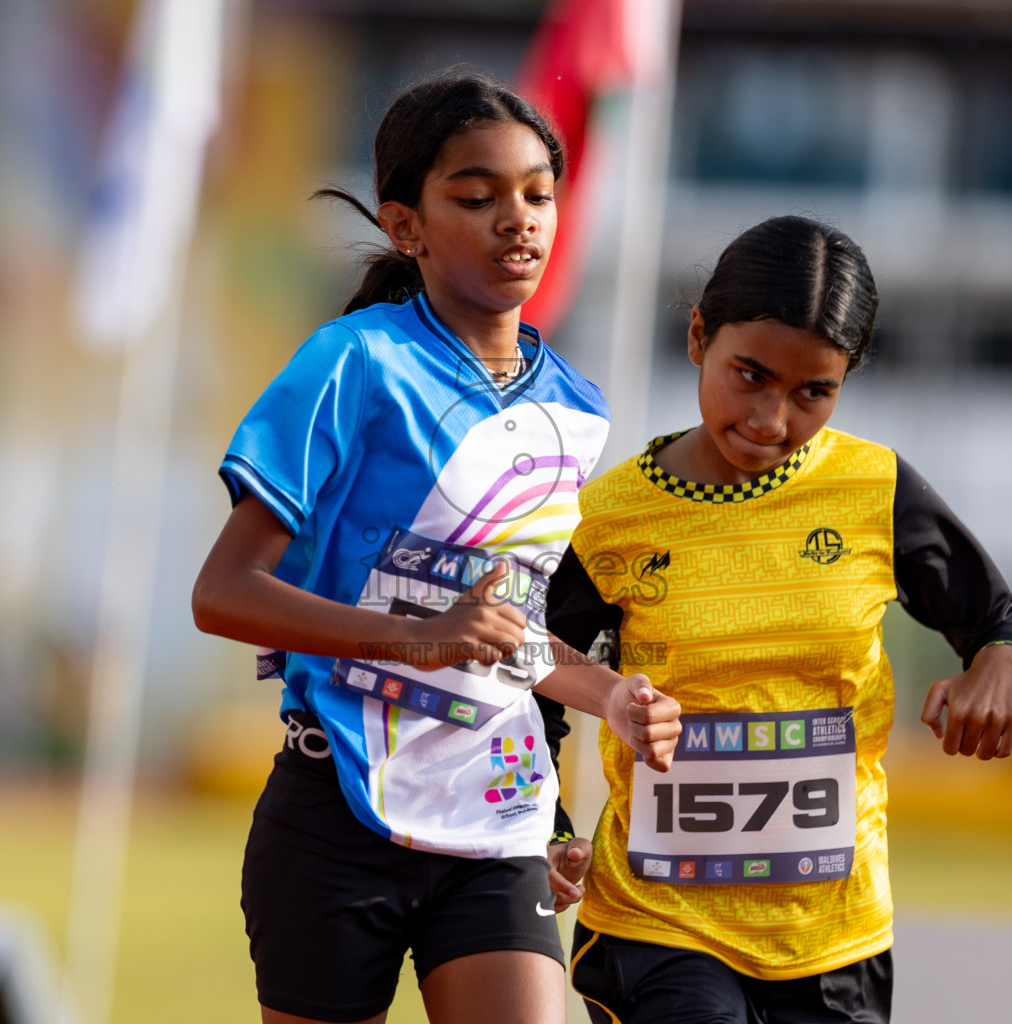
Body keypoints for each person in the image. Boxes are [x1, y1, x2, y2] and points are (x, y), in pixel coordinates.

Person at [190, 70, 681, 1024]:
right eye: (478, 196)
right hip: (334, 814)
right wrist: (420, 638)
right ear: (405, 225)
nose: (519, 220)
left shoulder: (575, 409)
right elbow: (223, 593)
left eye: (539, 193)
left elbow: (504, 630)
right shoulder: (353, 363)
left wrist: (605, 693)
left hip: (493, 817)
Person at [542, 215, 1012, 1024]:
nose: (772, 420)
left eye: (814, 392)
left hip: (835, 943)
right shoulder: (605, 522)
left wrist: (1001, 664)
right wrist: (549, 828)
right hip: (657, 928)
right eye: (750, 375)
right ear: (700, 335)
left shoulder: (876, 491)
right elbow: (530, 677)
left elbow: (1000, 621)